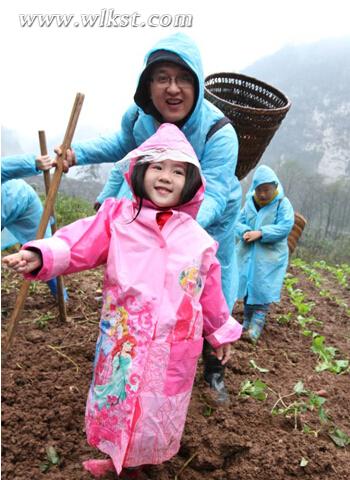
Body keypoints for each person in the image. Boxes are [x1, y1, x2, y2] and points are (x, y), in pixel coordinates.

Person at [3, 124, 242, 479]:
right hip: (124, 341)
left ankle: (141, 465)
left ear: (191, 183)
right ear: (141, 171)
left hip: (173, 348)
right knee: (119, 402)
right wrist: (41, 254)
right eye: (157, 167)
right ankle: (118, 460)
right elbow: (79, 241)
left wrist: (220, 332)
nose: (166, 177)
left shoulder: (198, 239)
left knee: (158, 411)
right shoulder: (119, 218)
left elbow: (209, 293)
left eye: (178, 171)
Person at [59, 32, 242, 397]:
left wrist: (178, 231)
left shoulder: (219, 133)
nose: (173, 89)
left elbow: (216, 193)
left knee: (208, 290)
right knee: (150, 290)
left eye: (183, 78)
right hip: (159, 216)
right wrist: (76, 153)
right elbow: (120, 145)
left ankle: (212, 367)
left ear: (197, 83)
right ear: (148, 85)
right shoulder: (140, 118)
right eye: (162, 78)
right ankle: (140, 357)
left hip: (206, 224)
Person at [235, 165, 294, 343]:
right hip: (248, 253)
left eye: (266, 190)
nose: (262, 194)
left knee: (262, 287)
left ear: (274, 187)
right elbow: (238, 221)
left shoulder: (282, 204)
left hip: (269, 256)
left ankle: (256, 325)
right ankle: (246, 322)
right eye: (259, 189)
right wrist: (245, 231)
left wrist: (261, 233)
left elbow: (285, 226)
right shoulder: (249, 203)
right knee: (247, 288)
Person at [1, 154, 67, 299]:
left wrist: (33, 163)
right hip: (4, 209)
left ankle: (61, 296)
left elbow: (3, 168)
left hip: (23, 201)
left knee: (44, 250)